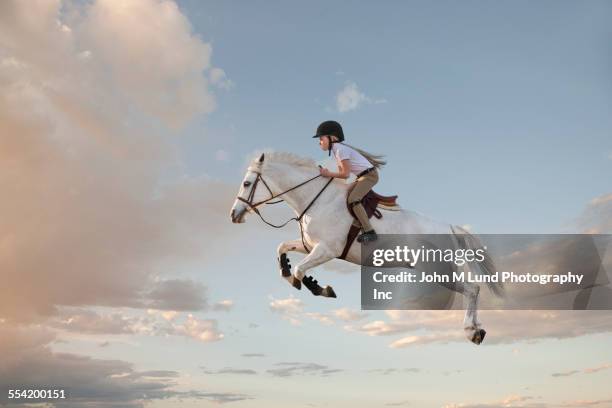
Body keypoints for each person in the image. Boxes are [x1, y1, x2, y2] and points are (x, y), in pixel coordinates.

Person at [312, 120, 386, 243]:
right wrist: (327, 174)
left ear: (331, 137)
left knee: (353, 199)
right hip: (362, 177)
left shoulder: (340, 150)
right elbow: (343, 175)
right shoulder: (337, 150)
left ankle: (369, 231)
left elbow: (345, 174)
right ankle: (355, 225)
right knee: (344, 194)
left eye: (321, 138)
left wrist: (327, 173)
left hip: (369, 176)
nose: (319, 142)